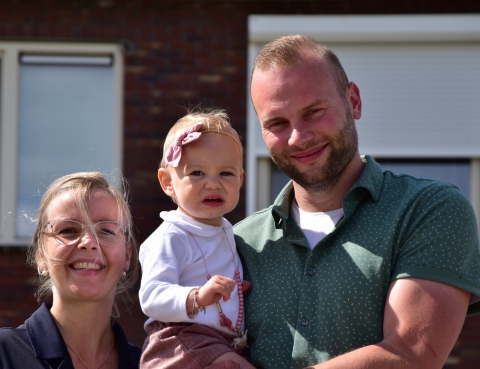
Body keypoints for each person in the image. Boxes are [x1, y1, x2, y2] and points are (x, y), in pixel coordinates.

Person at [234, 35, 480, 369]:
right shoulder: (238, 241)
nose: (298, 136)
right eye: (277, 123)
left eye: (314, 112)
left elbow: (411, 355)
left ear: (354, 101)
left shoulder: (427, 210)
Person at [139, 110, 254, 369]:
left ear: (240, 180)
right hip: (179, 338)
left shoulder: (226, 231)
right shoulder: (171, 236)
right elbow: (151, 296)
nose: (213, 184)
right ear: (168, 182)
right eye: (198, 173)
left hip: (222, 341)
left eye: (225, 173)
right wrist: (197, 296)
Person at [0, 172, 141, 369]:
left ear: (127, 255)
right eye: (68, 230)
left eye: (106, 231)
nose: (89, 242)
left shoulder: (153, 363)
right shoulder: (4, 353)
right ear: (41, 254)